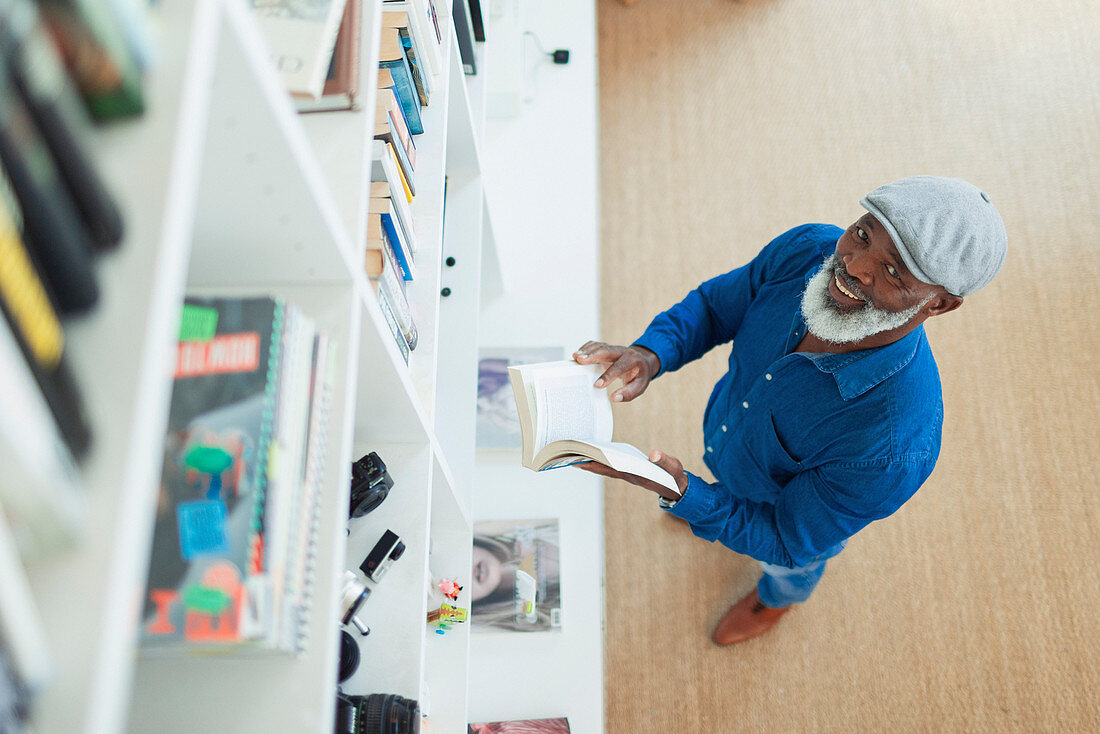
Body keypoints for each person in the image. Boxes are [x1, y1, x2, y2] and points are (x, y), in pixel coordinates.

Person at [574, 176, 1007, 645]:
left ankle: (773, 603)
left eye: (894, 271)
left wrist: (687, 495)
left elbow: (786, 539)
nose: (853, 266)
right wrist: (652, 352)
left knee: (791, 567)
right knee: (724, 493)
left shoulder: (891, 445)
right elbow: (716, 307)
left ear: (940, 304)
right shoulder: (809, 248)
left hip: (785, 517)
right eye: (863, 233)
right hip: (732, 447)